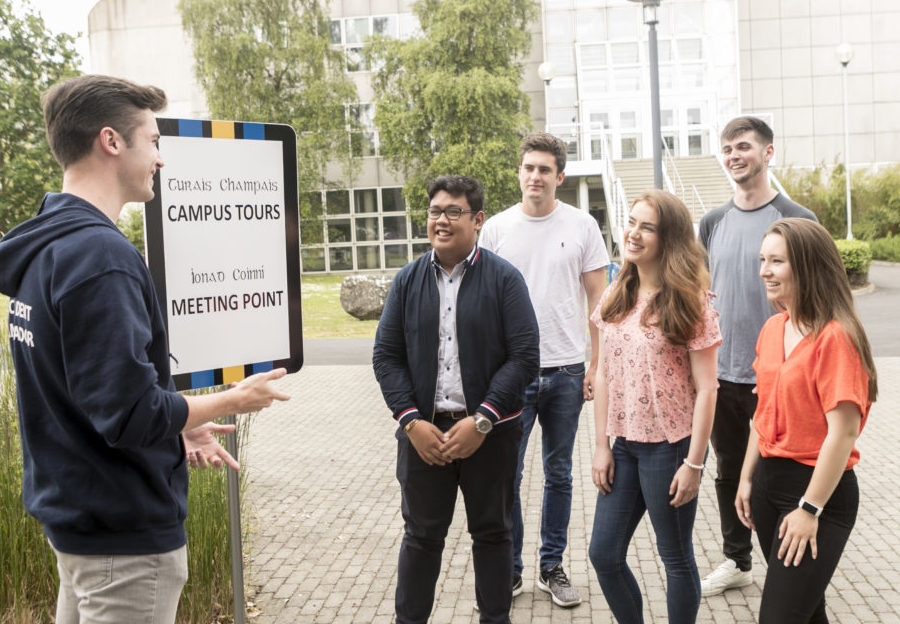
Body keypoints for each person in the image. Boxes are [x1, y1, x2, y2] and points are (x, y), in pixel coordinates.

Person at [0, 74, 291, 624]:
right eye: (153, 141)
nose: (161, 159)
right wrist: (232, 399)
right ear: (112, 142)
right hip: (124, 544)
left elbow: (89, 395)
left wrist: (177, 425)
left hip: (80, 526)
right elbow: (131, 414)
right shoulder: (99, 257)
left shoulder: (45, 246)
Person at [372, 175, 539, 624]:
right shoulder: (407, 281)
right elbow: (386, 356)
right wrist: (411, 421)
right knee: (422, 538)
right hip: (424, 435)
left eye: (453, 212)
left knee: (492, 534)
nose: (441, 221)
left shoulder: (505, 280)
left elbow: (524, 357)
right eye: (435, 212)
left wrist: (482, 420)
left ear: (478, 219)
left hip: (490, 435)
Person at [479, 132, 608, 607]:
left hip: (568, 372)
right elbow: (480, 303)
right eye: (528, 167)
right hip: (512, 375)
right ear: (519, 171)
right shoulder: (494, 229)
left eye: (544, 169)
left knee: (559, 474)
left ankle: (551, 567)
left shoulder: (581, 226)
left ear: (560, 176)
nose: (535, 176)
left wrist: (598, 364)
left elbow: (600, 301)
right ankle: (508, 570)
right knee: (505, 474)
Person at [589, 190, 721, 624]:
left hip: (670, 449)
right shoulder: (615, 295)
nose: (634, 233)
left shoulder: (690, 301)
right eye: (632, 222)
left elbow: (707, 389)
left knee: (675, 558)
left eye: (648, 226)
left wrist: (695, 464)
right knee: (603, 554)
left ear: (670, 238)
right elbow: (605, 375)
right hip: (623, 448)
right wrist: (601, 446)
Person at [698, 116, 817, 596]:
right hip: (724, 376)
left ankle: (790, 566)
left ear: (768, 153)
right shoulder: (711, 222)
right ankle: (736, 559)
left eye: (743, 146)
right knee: (729, 471)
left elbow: (819, 300)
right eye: (726, 149)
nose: (733, 156)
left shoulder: (797, 220)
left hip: (781, 375)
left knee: (779, 475)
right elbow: (704, 294)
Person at [736, 218, 877, 623]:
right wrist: (746, 478)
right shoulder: (772, 328)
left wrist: (809, 509)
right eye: (763, 260)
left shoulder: (836, 336)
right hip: (768, 485)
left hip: (819, 495)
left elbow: (843, 432)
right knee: (807, 612)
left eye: (777, 261)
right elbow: (761, 412)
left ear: (807, 265)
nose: (764, 270)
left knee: (780, 617)